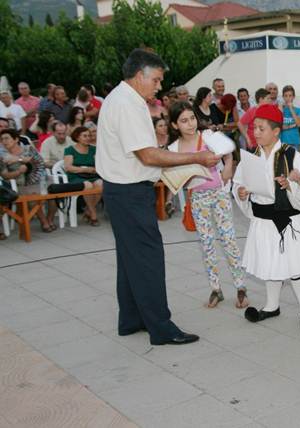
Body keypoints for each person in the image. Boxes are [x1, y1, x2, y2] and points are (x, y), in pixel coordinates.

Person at [96, 48, 219, 346]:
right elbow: (148, 155)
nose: (159, 86)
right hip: (129, 192)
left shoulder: (123, 98)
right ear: (140, 75)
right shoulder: (126, 103)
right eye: (156, 80)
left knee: (130, 258)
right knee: (148, 258)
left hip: (121, 190)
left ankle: (131, 319)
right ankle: (161, 328)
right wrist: (195, 158)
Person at [232, 104, 300, 329]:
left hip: (289, 219)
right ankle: (271, 305)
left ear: (276, 131)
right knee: (270, 262)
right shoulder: (251, 156)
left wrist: (292, 184)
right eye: (254, 128)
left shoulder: (291, 155)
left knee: (296, 264)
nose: (256, 132)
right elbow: (238, 182)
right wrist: (240, 192)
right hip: (262, 219)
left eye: (261, 128)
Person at [168, 102, 247, 309]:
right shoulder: (174, 148)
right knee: (207, 243)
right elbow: (174, 176)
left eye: (192, 118)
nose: (190, 124)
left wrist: (228, 167)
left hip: (219, 192)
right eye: (184, 121)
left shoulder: (207, 136)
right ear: (175, 125)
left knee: (229, 239)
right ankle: (215, 289)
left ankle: (241, 287)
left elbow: (229, 149)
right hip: (197, 197)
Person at [0, 128, 55, 232]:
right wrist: (18, 172)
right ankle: (44, 222)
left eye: (7, 138)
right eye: (2, 139)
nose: (4, 141)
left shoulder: (29, 148)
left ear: (16, 139)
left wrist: (19, 159)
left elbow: (40, 162)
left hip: (40, 180)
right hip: (22, 184)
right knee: (33, 196)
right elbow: (5, 175)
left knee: (54, 192)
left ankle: (50, 219)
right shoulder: (2, 156)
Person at [64, 126, 102, 226]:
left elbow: (98, 164)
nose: (88, 138)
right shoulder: (70, 150)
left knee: (100, 184)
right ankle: (93, 213)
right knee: (88, 185)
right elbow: (68, 167)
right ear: (77, 137)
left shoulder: (93, 149)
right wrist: (85, 169)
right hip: (75, 176)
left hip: (91, 175)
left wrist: (95, 169)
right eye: (84, 136)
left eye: (89, 136)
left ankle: (87, 210)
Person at [279, 85, 300, 152]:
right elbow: (278, 126)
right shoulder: (280, 109)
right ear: (283, 97)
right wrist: (292, 125)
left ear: (293, 97)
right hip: (281, 142)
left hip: (294, 142)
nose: (288, 98)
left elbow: (299, 124)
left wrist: (291, 109)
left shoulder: (298, 110)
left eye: (290, 96)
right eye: (286, 96)